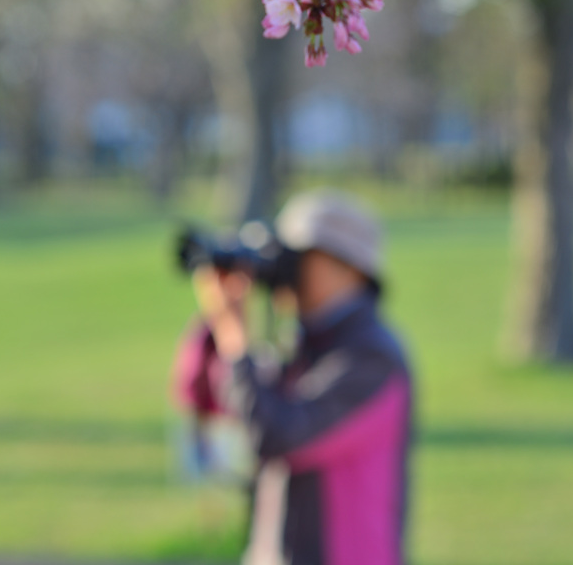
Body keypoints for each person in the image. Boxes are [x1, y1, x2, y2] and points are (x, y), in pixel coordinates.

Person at [173, 190, 413, 565]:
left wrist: (236, 340)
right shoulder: (305, 344)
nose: (286, 270)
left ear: (348, 268)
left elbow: (277, 435)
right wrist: (218, 319)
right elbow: (207, 398)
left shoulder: (372, 359)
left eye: (298, 258)